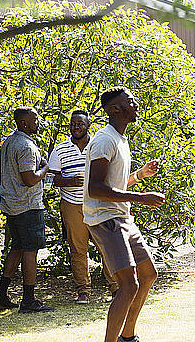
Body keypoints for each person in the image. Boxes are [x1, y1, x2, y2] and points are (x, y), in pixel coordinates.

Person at [83, 86, 165, 342]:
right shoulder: (105, 140)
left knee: (149, 274)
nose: (136, 104)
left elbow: (114, 185)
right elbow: (95, 189)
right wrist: (142, 198)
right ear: (115, 109)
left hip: (121, 217)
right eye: (130, 101)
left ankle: (128, 336)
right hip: (106, 219)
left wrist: (140, 176)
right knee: (129, 286)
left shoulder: (120, 139)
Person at [0, 107, 55, 313]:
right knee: (29, 251)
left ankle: (0, 296)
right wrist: (46, 168)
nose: (38, 122)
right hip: (27, 206)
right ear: (24, 123)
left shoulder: (8, 141)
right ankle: (28, 300)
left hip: (11, 205)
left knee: (16, 248)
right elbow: (30, 179)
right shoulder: (26, 146)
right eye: (35, 119)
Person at [48, 110, 118, 304]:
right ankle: (83, 291)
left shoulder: (98, 145)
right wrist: (69, 181)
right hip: (71, 204)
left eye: (80, 123)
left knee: (107, 246)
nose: (76, 127)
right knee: (78, 250)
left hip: (97, 204)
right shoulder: (60, 149)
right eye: (73, 124)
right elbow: (50, 179)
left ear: (88, 124)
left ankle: (115, 287)